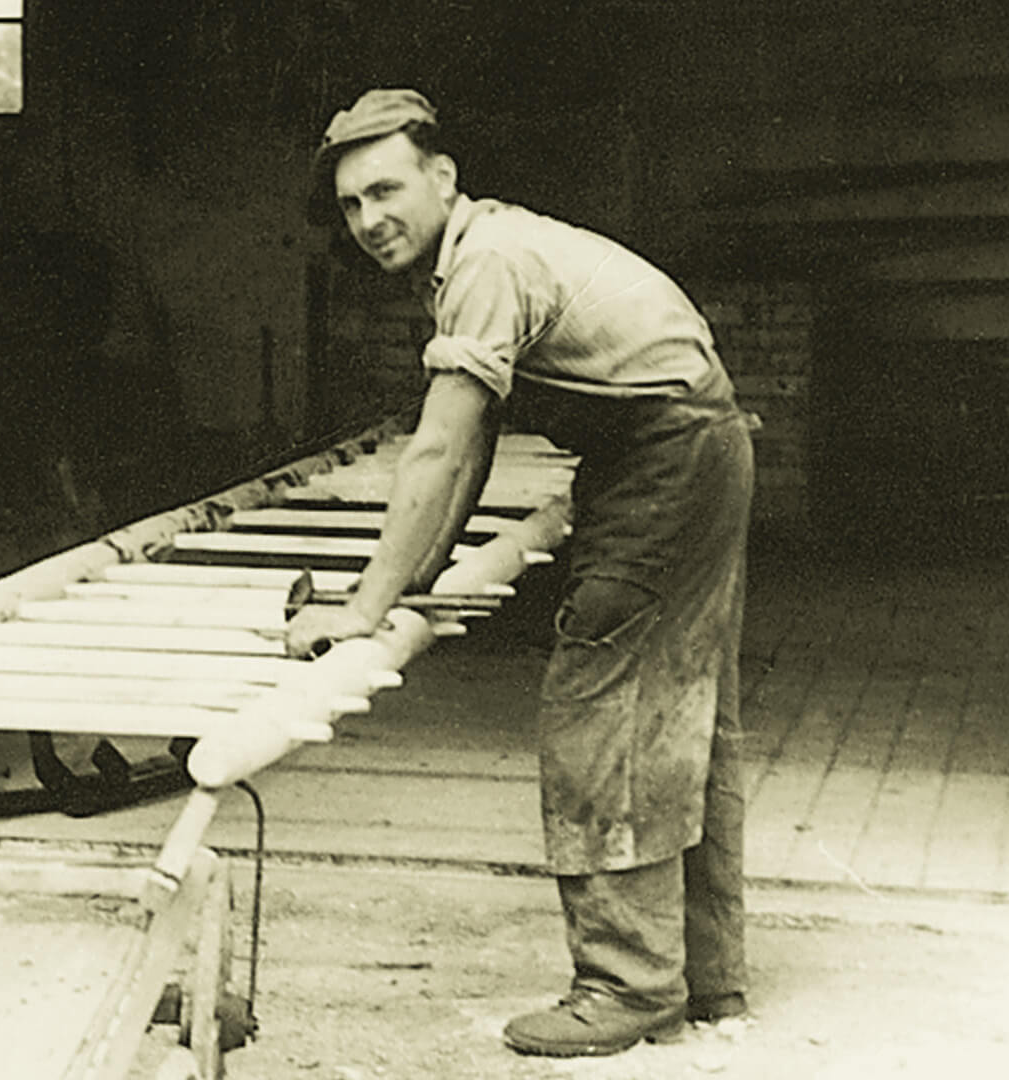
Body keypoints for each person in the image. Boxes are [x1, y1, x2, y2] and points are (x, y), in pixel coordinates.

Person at [285, 89, 755, 1058]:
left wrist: (362, 606)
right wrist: (413, 584)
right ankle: (704, 978)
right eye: (349, 206)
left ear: (443, 178)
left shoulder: (486, 263)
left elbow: (440, 450)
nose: (371, 221)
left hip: (666, 458)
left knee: (602, 712)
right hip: (690, 446)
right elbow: (471, 450)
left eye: (386, 190)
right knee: (684, 710)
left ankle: (625, 990)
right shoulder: (484, 250)